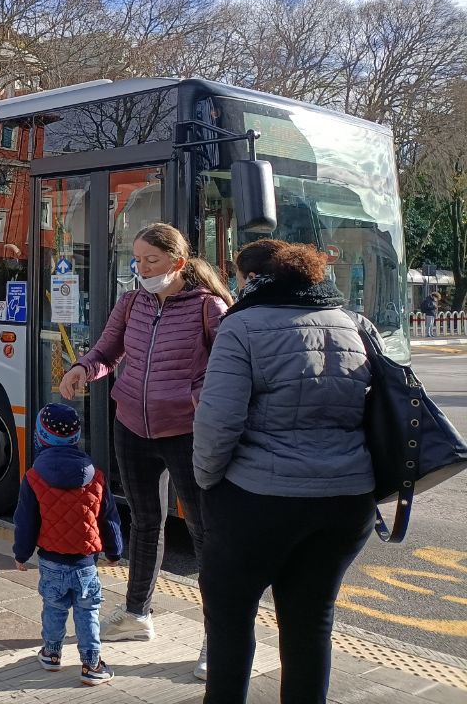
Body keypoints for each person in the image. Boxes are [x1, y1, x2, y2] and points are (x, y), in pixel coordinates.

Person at [193, 240, 374, 704]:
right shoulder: (354, 324)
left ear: (251, 279)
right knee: (311, 623)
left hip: (259, 500)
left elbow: (218, 424)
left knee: (231, 624)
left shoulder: (243, 326)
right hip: (347, 501)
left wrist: (207, 483)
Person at [57, 222, 230, 680]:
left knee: (203, 533)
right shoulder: (131, 303)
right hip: (131, 425)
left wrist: (195, 397)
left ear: (177, 262)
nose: (141, 269)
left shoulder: (208, 307)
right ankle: (137, 616)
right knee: (145, 521)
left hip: (187, 432)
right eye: (136, 260)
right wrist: (82, 368)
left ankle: (219, 637)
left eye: (151, 261)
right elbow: (107, 351)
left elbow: (233, 364)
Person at [13, 403, 123, 687]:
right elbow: (109, 518)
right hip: (86, 563)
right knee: (88, 612)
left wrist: (21, 554)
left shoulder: (34, 477)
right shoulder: (96, 476)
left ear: (40, 436)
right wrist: (114, 552)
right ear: (76, 437)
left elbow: (26, 521)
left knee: (53, 607)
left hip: (51, 561)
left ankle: (51, 654)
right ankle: (92, 664)